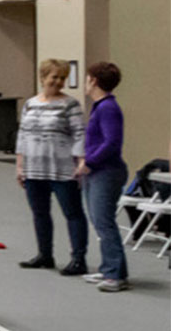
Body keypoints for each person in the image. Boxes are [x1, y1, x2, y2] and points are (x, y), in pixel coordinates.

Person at [15, 59, 89, 275]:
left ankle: (78, 259)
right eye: (54, 77)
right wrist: (20, 166)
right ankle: (44, 255)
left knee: (73, 214)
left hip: (63, 170)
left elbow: (79, 134)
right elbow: (22, 136)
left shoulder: (70, 105)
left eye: (62, 78)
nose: (58, 82)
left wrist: (81, 161)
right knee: (40, 213)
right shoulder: (30, 104)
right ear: (43, 78)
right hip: (34, 169)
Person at [79, 61, 129, 292]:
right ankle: (109, 267)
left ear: (94, 81)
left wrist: (89, 161)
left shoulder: (108, 108)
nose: (85, 83)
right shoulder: (99, 107)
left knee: (104, 222)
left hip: (107, 173)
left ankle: (115, 275)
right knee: (98, 221)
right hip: (97, 171)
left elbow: (111, 142)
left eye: (87, 79)